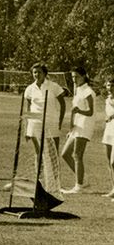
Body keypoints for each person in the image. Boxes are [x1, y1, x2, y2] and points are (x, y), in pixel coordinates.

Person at [24, 63, 67, 168]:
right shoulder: (29, 89)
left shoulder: (53, 86)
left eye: (39, 72)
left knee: (53, 154)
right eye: (34, 72)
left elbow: (63, 104)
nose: (37, 75)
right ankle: (38, 177)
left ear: (45, 73)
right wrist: (27, 127)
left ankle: (54, 178)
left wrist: (60, 121)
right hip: (35, 124)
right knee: (38, 153)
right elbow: (28, 109)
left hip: (51, 123)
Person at [62, 66, 97, 194]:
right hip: (77, 127)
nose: (74, 79)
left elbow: (91, 112)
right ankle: (83, 180)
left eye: (76, 76)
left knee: (77, 155)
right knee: (65, 154)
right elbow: (75, 111)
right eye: (72, 76)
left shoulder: (88, 91)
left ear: (83, 76)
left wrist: (79, 111)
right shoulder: (78, 90)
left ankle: (79, 186)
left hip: (85, 126)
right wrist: (71, 129)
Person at [101, 81, 114, 199]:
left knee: (113, 162)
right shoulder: (107, 99)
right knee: (109, 162)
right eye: (108, 85)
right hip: (109, 131)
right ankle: (113, 189)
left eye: (112, 85)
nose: (110, 87)